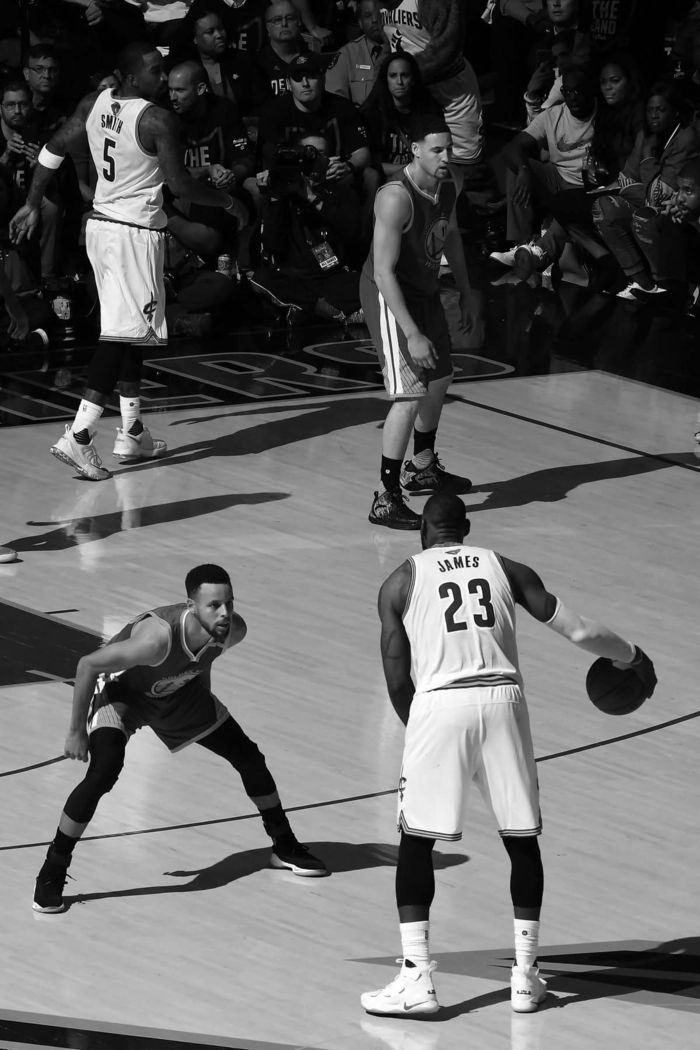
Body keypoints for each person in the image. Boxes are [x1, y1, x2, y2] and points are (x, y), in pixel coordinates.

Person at [361, 491, 657, 1016]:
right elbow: (579, 630)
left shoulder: (400, 581)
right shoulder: (505, 567)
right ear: (466, 527)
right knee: (522, 840)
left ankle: (417, 979)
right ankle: (525, 977)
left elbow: (395, 672)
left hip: (440, 705)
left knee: (416, 842)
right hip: (504, 702)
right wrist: (632, 656)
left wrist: (421, 731)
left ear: (423, 532)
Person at [10, 41, 247, 482]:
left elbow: (52, 148)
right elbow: (180, 187)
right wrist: (229, 203)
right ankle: (79, 436)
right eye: (157, 71)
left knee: (133, 330)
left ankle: (132, 429)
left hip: (101, 229)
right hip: (132, 236)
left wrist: (32, 200)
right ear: (133, 76)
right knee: (120, 335)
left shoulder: (94, 101)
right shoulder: (158, 119)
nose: (164, 77)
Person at [32, 562, 328, 914]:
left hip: (175, 692)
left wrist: (205, 703)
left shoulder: (233, 630)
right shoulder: (157, 640)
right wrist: (76, 731)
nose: (225, 613)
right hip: (122, 694)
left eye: (229, 603)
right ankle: (52, 871)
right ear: (191, 606)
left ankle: (284, 845)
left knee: (248, 756)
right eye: (214, 605)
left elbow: (205, 660)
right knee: (104, 771)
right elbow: (87, 665)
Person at [360, 112, 476, 531]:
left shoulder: (451, 183)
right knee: (409, 393)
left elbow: (453, 236)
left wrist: (465, 290)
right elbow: (384, 272)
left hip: (424, 286)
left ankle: (422, 465)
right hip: (387, 292)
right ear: (414, 150)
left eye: (450, 148)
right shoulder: (396, 196)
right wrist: (411, 333)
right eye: (437, 149)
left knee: (441, 375)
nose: (447, 156)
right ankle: (386, 497)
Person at [592, 79, 700, 300]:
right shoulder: (645, 135)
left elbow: (659, 195)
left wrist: (649, 157)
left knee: (645, 217)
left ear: (675, 112)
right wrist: (639, 186)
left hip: (675, 211)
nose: (654, 115)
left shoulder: (685, 138)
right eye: (650, 110)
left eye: (660, 110)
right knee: (603, 208)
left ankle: (665, 286)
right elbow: (625, 177)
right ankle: (642, 282)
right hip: (651, 201)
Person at [360, 51, 443, 178]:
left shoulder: (430, 111)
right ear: (385, 79)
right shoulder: (373, 114)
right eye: (393, 76)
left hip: (424, 178)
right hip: (387, 180)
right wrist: (410, 169)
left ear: (414, 79)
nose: (399, 81)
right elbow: (371, 164)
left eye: (404, 75)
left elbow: (439, 153)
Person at [325, 0, 389, 108]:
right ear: (360, 23)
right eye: (368, 16)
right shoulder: (347, 55)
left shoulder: (404, 47)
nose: (374, 20)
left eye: (380, 15)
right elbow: (335, 101)